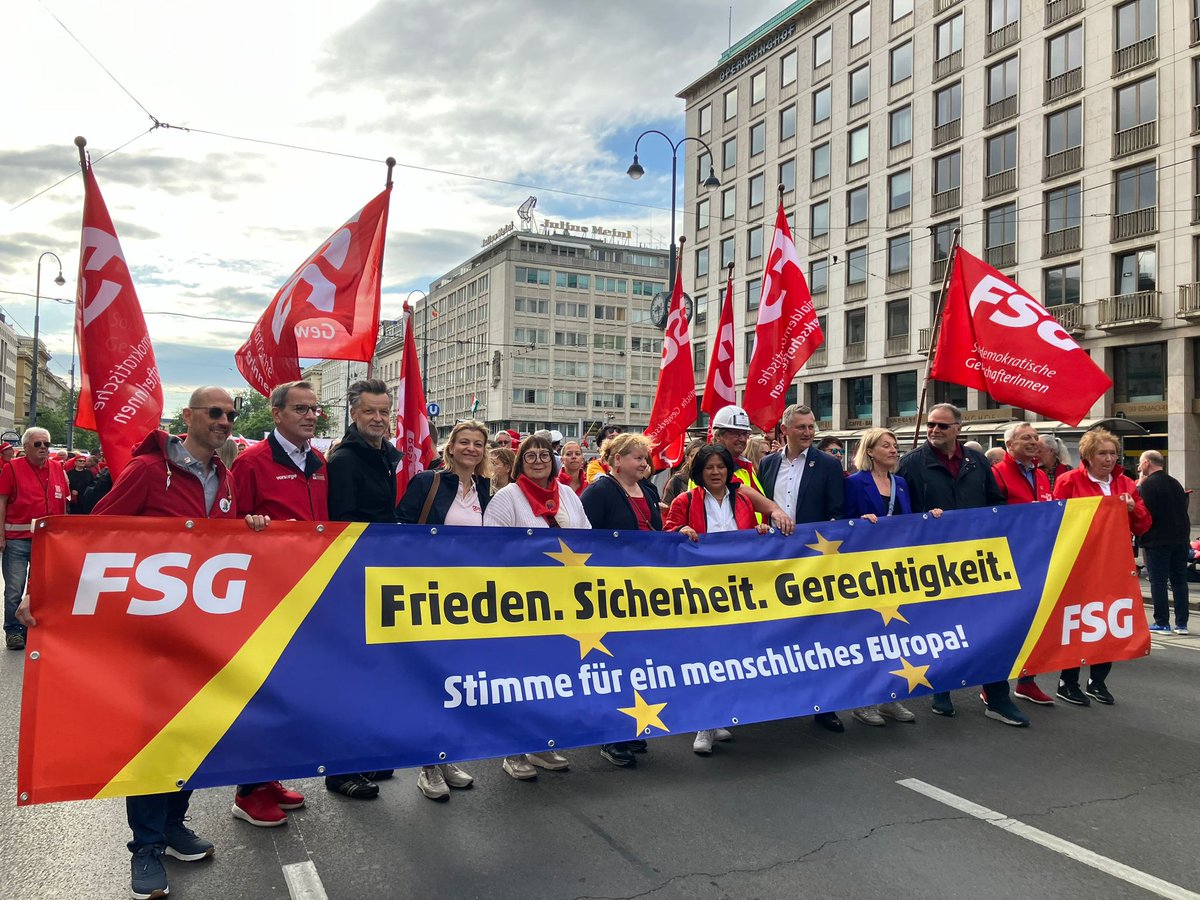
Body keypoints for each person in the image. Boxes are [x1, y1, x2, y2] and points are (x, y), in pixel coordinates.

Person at [82, 386, 269, 900]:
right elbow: (94, 532)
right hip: (150, 634)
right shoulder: (148, 471)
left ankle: (173, 825)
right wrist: (44, 593)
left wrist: (248, 526)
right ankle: (144, 845)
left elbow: (219, 545)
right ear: (187, 417)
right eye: (215, 412)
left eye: (230, 414)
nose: (225, 421)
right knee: (152, 736)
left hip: (200, 634)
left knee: (190, 731)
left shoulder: (225, 478)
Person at [227, 381, 327, 827]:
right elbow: (228, 527)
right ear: (277, 413)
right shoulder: (252, 462)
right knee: (260, 693)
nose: (310, 416)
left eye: (314, 409)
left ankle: (266, 777)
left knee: (290, 691)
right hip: (265, 597)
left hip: (308, 593)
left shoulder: (319, 462)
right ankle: (248, 791)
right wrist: (249, 525)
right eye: (301, 409)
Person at [897, 403, 1028, 726]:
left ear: (958, 428)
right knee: (942, 630)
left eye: (942, 426)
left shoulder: (977, 462)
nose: (934, 431)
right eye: (930, 425)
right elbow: (901, 514)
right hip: (933, 566)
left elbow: (995, 503)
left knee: (989, 630)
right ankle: (942, 690)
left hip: (977, 562)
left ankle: (997, 697)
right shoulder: (913, 463)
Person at [396, 419, 491, 800]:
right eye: (464, 442)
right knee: (431, 679)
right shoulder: (428, 482)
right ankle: (428, 766)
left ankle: (447, 755)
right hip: (430, 594)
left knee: (457, 681)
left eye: (478, 444)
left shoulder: (486, 488)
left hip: (469, 599)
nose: (471, 448)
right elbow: (400, 527)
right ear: (450, 448)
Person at [484, 433, 587, 779]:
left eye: (545, 455)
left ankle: (542, 743)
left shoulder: (569, 495)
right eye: (531, 456)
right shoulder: (507, 498)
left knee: (550, 677)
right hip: (522, 603)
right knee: (518, 678)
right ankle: (513, 749)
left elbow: (587, 536)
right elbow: (491, 549)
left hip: (564, 603)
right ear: (520, 463)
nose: (539, 460)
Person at [325, 378, 402, 799]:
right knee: (350, 675)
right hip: (351, 579)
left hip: (377, 576)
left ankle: (364, 755)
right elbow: (344, 523)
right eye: (370, 411)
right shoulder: (345, 460)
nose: (378, 418)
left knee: (373, 672)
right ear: (354, 413)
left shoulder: (384, 457)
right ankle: (340, 770)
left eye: (384, 411)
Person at [664, 443, 768, 754]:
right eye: (709, 467)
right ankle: (703, 723)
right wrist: (680, 531)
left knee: (730, 656)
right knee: (705, 656)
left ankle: (717, 716)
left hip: (737, 593)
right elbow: (666, 536)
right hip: (700, 592)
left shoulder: (743, 500)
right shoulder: (684, 500)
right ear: (699, 471)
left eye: (720, 466)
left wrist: (761, 529)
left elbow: (751, 537)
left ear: (729, 470)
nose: (715, 472)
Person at [579, 433, 662, 767]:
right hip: (610, 590)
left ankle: (629, 724)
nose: (643, 463)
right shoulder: (600, 491)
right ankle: (610, 734)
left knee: (637, 660)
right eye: (636, 458)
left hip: (643, 591)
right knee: (613, 662)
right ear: (615, 460)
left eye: (644, 458)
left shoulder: (651, 490)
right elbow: (582, 540)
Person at [1052, 429, 1151, 705]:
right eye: (1102, 453)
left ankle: (1098, 681)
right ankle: (1067, 681)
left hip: (1116, 564)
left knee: (1109, 623)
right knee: (1078, 623)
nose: (1108, 459)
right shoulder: (1069, 481)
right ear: (1087, 455)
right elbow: (1057, 522)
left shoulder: (1126, 483)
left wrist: (1134, 510)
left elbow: (1144, 525)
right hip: (1080, 564)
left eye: (1112, 453)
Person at [842, 428, 920, 727]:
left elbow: (909, 520)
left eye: (895, 445)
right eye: (886, 445)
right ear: (870, 451)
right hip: (865, 570)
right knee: (868, 637)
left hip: (895, 570)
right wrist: (858, 523)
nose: (893, 450)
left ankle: (890, 697)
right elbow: (842, 523)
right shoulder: (854, 483)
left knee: (894, 637)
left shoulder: (900, 484)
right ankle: (864, 701)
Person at [990, 423, 1056, 706]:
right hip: (1009, 562)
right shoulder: (996, 474)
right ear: (1009, 445)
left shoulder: (1040, 474)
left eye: (1035, 437)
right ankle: (994, 685)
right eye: (1025, 438)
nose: (1033, 442)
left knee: (1035, 624)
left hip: (1036, 561)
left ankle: (1027, 681)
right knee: (1005, 628)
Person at [0, 427, 68, 650]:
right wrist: (1, 534)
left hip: (47, 541)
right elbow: (1, 502)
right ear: (27, 447)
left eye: (46, 444)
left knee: (41, 588)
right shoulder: (11, 468)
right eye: (37, 444)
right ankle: (13, 630)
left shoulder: (58, 468)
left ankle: (32, 628)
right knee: (14, 589)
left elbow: (63, 504)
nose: (43, 448)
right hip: (17, 539)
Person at [706, 405, 795, 534]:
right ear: (718, 435)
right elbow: (736, 487)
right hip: (724, 543)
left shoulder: (745, 466)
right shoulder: (708, 465)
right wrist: (775, 509)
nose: (742, 439)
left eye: (745, 434)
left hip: (750, 542)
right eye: (736, 434)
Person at [1137, 450, 1191, 635]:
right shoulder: (1175, 483)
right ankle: (1182, 624)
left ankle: (1162, 622)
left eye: (1140, 463)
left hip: (1157, 540)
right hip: (1180, 539)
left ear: (1146, 464)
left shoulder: (1148, 485)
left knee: (1158, 581)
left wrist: (1139, 484)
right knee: (1179, 580)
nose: (1138, 467)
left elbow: (1142, 513)